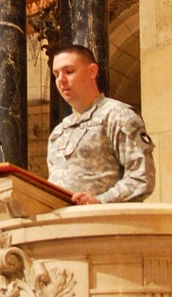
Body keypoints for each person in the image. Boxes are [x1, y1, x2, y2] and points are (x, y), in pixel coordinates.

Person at [47, 44, 155, 205]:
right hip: (64, 219)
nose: (61, 80)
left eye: (69, 71)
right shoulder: (58, 132)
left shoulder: (118, 115)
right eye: (56, 74)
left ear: (92, 71)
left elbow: (142, 177)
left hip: (105, 218)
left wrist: (100, 201)